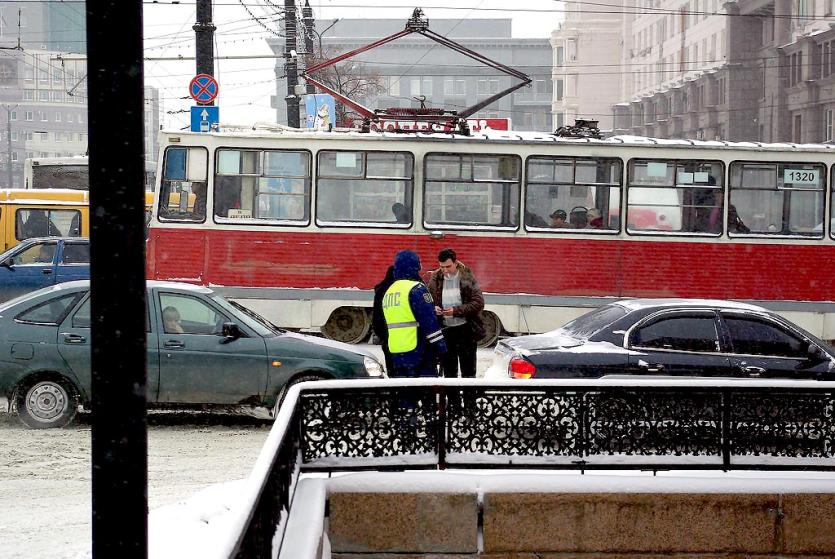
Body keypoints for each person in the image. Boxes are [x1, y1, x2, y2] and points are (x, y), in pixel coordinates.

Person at [382, 250, 447, 377]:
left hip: (397, 351)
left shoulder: (390, 291)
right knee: (426, 391)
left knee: (405, 392)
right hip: (418, 351)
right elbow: (429, 322)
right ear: (415, 266)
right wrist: (441, 347)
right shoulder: (416, 289)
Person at [428, 248, 485, 379]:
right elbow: (429, 301)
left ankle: (469, 399)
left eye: (448, 266)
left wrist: (456, 311)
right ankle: (453, 400)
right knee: (449, 371)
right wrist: (434, 308)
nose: (445, 270)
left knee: (469, 371)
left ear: (455, 263)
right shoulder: (436, 278)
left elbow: (478, 303)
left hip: (466, 330)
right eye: (442, 267)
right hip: (446, 330)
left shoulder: (466, 276)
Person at [372, 265, 396, 373]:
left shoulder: (380, 291)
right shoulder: (398, 291)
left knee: (391, 370)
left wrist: (383, 337)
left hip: (387, 339)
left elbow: (376, 319)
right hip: (401, 340)